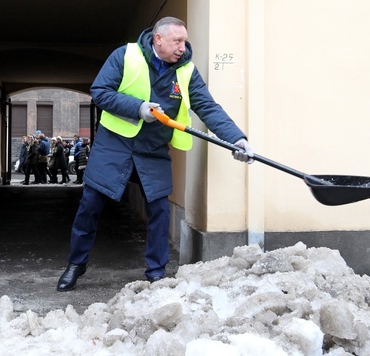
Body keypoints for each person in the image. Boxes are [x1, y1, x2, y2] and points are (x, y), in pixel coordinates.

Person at [56, 16, 253, 292]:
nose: (183, 47)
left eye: (185, 41)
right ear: (158, 39)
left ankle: (157, 271)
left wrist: (237, 139)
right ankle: (76, 264)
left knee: (160, 210)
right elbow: (100, 92)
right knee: (90, 205)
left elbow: (208, 107)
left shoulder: (186, 71)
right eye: (177, 41)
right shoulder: (125, 56)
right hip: (114, 145)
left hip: (153, 149)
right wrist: (137, 108)